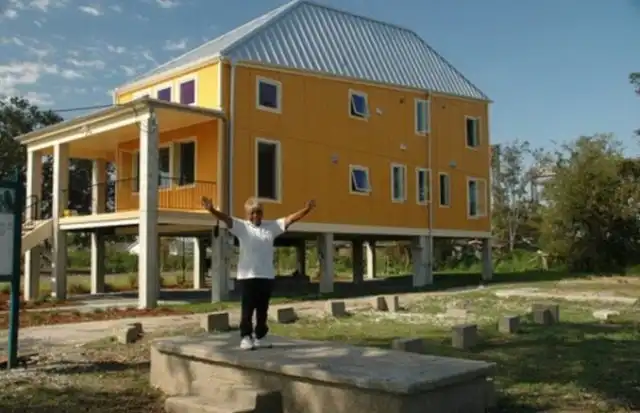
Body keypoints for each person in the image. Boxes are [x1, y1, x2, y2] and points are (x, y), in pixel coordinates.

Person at [201, 195, 316, 350]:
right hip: (248, 277)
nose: (255, 216)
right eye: (252, 213)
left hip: (266, 276)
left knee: (263, 310)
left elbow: (290, 219)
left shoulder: (272, 226)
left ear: (262, 213)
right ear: (247, 214)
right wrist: (212, 210)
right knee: (247, 309)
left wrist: (306, 210)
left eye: (258, 212)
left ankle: (260, 337)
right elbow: (226, 219)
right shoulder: (242, 226)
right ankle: (246, 337)